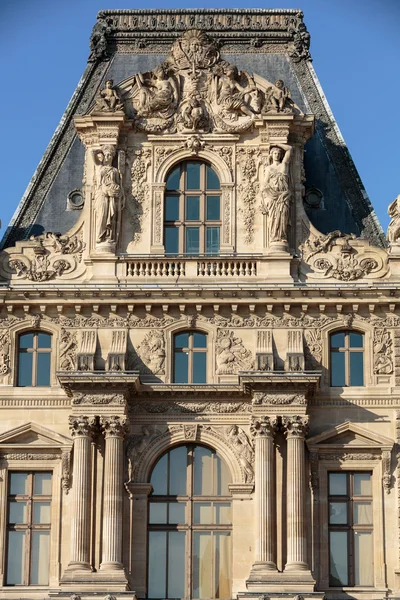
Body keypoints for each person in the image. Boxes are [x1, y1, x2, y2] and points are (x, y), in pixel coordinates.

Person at [261, 144, 292, 246]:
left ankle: (281, 237)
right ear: (271, 154)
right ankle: (274, 237)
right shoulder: (269, 168)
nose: (277, 155)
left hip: (283, 195)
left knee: (283, 217)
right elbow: (265, 184)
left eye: (279, 153)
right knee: (273, 218)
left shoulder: (284, 165)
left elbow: (290, 149)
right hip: (272, 196)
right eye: (275, 153)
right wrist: (267, 194)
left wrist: (277, 144)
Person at [93, 146, 124, 245]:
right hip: (101, 193)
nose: (107, 157)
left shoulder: (115, 170)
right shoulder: (100, 167)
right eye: (106, 155)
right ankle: (100, 236)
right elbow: (93, 155)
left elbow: (119, 184)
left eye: (110, 155)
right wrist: (98, 151)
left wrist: (121, 194)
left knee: (112, 216)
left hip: (112, 195)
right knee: (102, 214)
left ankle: (108, 236)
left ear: (112, 157)